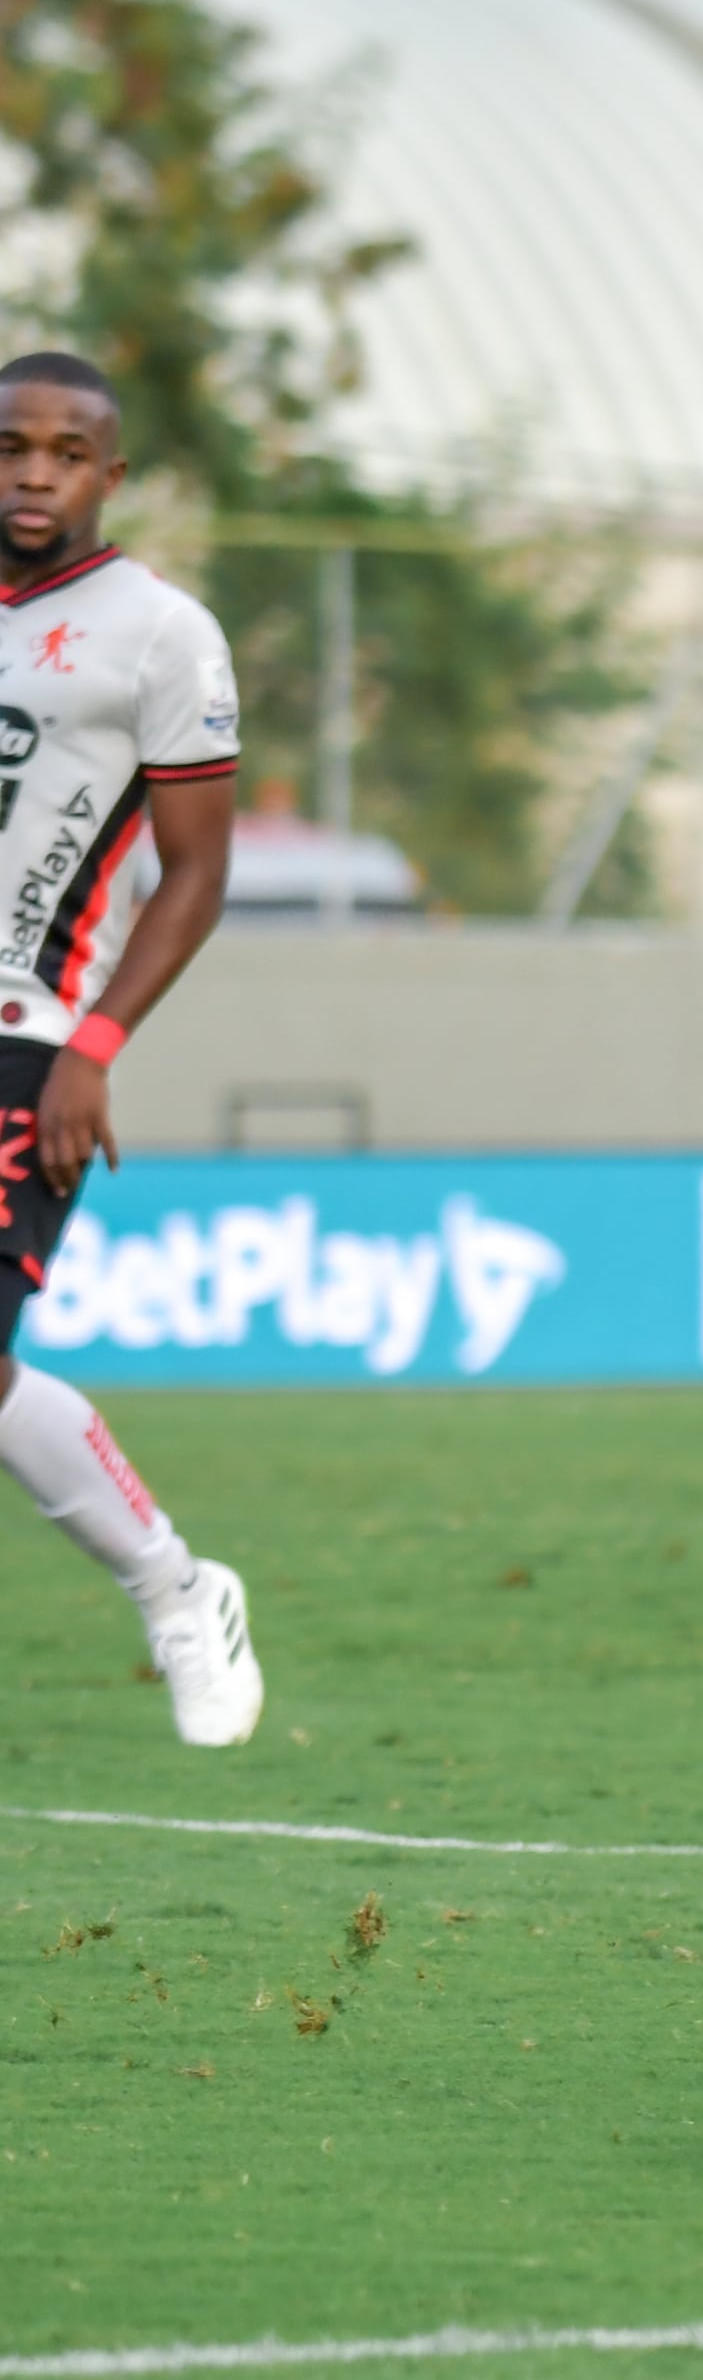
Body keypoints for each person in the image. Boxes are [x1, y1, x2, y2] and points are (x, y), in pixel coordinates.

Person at [0, 357, 256, 1745]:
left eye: (65, 451)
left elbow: (195, 873)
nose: (34, 472)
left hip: (26, 1036)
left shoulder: (160, 634)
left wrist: (95, 1043)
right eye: (10, 447)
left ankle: (174, 1586)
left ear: (110, 472)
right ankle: (172, 1576)